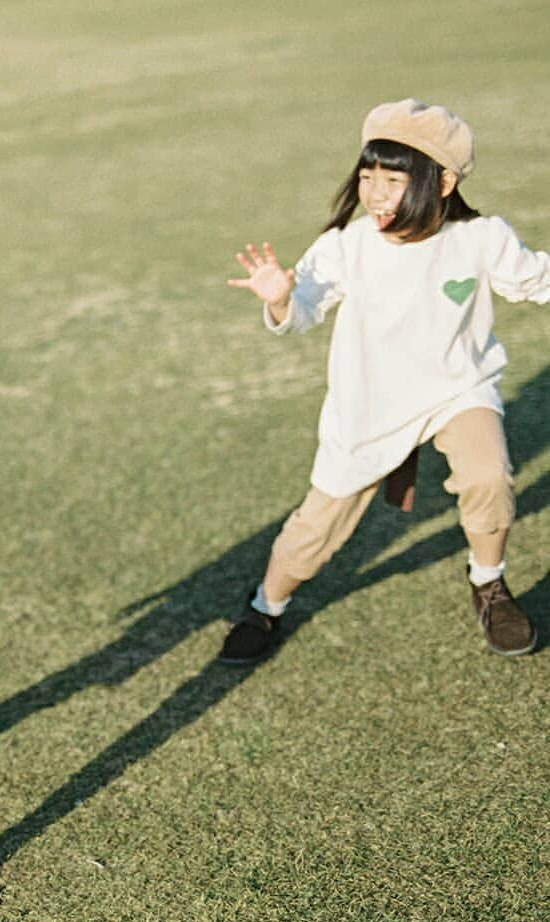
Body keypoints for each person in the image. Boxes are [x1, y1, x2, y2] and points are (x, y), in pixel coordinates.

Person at [222, 98, 548, 664]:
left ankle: (488, 584)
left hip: (456, 390)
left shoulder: (479, 237)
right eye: (367, 175)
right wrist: (279, 300)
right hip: (369, 405)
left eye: (393, 179)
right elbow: (302, 310)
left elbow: (534, 280)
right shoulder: (349, 244)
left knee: (488, 475)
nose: (374, 193)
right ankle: (264, 607)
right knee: (315, 529)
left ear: (442, 181)